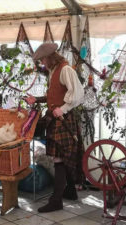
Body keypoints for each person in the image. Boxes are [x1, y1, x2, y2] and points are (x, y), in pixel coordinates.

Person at [25, 43, 84, 213]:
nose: (42, 63)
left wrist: (63, 109)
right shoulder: (54, 71)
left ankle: (56, 201)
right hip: (56, 119)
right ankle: (71, 191)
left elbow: (78, 94)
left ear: (50, 57)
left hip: (63, 119)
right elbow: (54, 96)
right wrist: (36, 99)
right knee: (63, 157)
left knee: (59, 159)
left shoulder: (65, 70)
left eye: (43, 59)